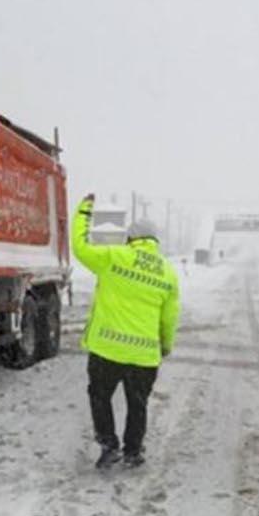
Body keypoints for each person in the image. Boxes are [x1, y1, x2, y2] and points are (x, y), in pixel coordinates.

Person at [70, 193, 181, 469]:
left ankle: (109, 446)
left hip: (107, 349)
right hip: (145, 355)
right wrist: (165, 345)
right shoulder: (167, 272)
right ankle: (133, 452)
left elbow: (80, 247)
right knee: (138, 403)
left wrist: (84, 212)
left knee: (100, 396)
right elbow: (169, 317)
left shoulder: (114, 257)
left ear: (130, 239)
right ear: (155, 242)